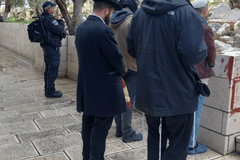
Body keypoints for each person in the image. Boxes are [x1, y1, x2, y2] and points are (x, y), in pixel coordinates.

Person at [127, 0, 207, 159]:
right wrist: (203, 48)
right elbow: (193, 55)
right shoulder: (186, 13)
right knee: (178, 146)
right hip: (179, 94)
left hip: (150, 91)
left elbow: (132, 49)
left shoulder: (139, 14)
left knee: (155, 141)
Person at [75, 0, 127, 159]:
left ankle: (86, 155)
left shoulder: (81, 27)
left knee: (88, 123)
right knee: (101, 127)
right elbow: (116, 59)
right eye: (112, 12)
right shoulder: (104, 30)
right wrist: (123, 70)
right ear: (106, 11)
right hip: (104, 90)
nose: (112, 16)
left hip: (87, 86)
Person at [188, 0, 216, 155]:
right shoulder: (205, 28)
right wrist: (210, 65)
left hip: (186, 74)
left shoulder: (186, 25)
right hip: (201, 75)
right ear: (205, 11)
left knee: (187, 110)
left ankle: (184, 141)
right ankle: (191, 145)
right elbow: (211, 53)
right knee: (196, 111)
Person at [40, 1, 66, 98]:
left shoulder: (44, 17)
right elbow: (60, 30)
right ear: (49, 8)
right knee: (53, 69)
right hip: (52, 47)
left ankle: (48, 89)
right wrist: (60, 21)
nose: (55, 10)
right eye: (54, 8)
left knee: (49, 68)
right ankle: (50, 91)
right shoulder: (49, 18)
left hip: (47, 46)